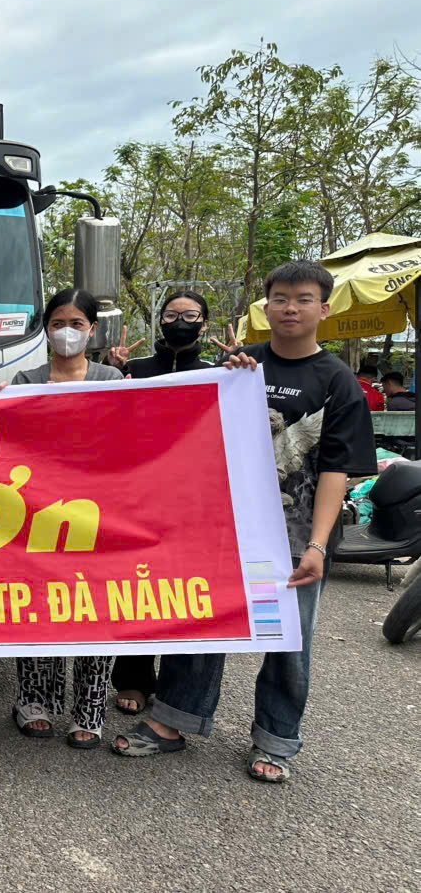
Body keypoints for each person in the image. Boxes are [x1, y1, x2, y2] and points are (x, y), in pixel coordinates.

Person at [113, 260, 375, 783]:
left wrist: (318, 545)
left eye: (303, 299)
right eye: (280, 298)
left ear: (323, 309)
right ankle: (173, 719)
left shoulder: (338, 382)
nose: (290, 308)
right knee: (203, 621)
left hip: (296, 535)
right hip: (221, 529)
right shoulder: (237, 366)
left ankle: (276, 739)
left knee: (289, 641)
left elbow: (336, 470)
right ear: (266, 306)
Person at [7, 288, 122, 748]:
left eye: (76, 324)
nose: (67, 332)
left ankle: (90, 709)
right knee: (38, 603)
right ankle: (33, 700)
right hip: (40, 512)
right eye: (58, 324)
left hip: (99, 514)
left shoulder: (112, 378)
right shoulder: (26, 379)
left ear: (92, 330)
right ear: (46, 329)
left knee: (98, 607)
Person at [106, 290, 215, 715]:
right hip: (137, 496)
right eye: (171, 314)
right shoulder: (135, 370)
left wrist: (239, 372)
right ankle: (133, 679)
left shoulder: (216, 374)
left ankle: (175, 691)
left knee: (183, 593)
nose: (179, 322)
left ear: (204, 323)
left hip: (191, 500)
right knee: (136, 589)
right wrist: (114, 372)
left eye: (189, 315)